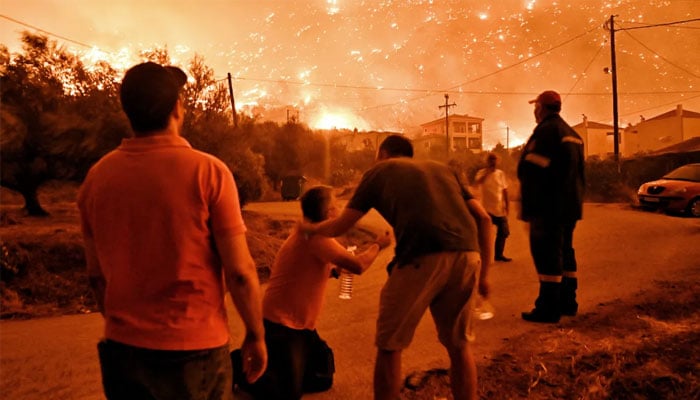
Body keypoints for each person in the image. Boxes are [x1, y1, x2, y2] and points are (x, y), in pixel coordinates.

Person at [77, 62, 267, 400]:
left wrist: (126, 326)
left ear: (128, 112)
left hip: (123, 351)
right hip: (195, 351)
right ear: (177, 108)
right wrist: (256, 334)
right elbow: (239, 272)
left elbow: (96, 277)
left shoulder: (96, 178)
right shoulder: (209, 172)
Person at [300, 135, 493, 400]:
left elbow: (340, 225)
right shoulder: (445, 170)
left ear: (383, 153)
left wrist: (309, 229)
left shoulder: (379, 171)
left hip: (420, 256)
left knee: (389, 345)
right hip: (468, 255)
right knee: (460, 347)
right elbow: (483, 219)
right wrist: (484, 277)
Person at [242, 185, 390, 399]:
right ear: (329, 213)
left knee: (321, 379)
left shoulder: (311, 234)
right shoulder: (317, 239)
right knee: (287, 394)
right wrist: (378, 244)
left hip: (302, 327)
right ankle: (240, 364)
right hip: (281, 326)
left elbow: (315, 267)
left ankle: (279, 364)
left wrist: (334, 271)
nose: (339, 209)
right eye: (336, 205)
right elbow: (358, 266)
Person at [517, 90, 585, 323]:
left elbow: (532, 170)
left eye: (535, 106)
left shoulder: (546, 131)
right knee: (566, 252)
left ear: (542, 107)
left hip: (548, 207)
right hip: (570, 206)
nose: (534, 111)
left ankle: (548, 307)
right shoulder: (573, 134)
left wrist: (529, 208)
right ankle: (568, 302)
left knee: (547, 255)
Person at [475, 153, 512, 262]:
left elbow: (505, 190)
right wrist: (487, 172)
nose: (493, 162)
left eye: (494, 160)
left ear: (497, 161)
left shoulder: (500, 174)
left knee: (504, 232)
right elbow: (478, 182)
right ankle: (480, 256)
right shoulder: (481, 173)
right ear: (487, 161)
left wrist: (507, 205)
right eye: (491, 160)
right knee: (483, 235)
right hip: (486, 210)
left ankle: (499, 255)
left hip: (499, 209)